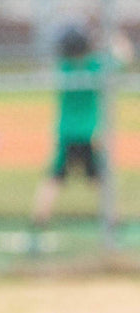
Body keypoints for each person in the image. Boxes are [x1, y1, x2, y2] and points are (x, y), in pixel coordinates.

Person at [31, 20, 129, 231]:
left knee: (56, 177)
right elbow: (124, 56)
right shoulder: (95, 65)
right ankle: (113, 220)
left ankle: (39, 219)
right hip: (90, 133)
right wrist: (109, 33)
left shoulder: (63, 68)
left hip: (66, 132)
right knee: (100, 178)